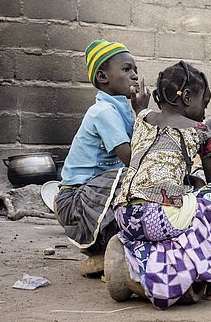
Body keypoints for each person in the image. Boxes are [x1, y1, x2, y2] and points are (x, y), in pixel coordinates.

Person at [113, 61, 211, 309]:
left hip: (124, 216)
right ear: (188, 97)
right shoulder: (201, 131)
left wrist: (137, 105)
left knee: (188, 197)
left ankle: (140, 260)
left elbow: (141, 113)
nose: (205, 111)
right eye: (205, 102)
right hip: (158, 219)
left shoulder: (142, 118)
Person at [54, 39, 149, 274]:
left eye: (135, 70)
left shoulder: (122, 110)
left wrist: (137, 112)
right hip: (74, 201)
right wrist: (143, 113)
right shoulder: (103, 112)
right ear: (103, 77)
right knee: (133, 176)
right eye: (127, 69)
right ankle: (108, 250)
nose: (135, 76)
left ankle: (106, 253)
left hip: (97, 196)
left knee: (138, 179)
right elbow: (132, 159)